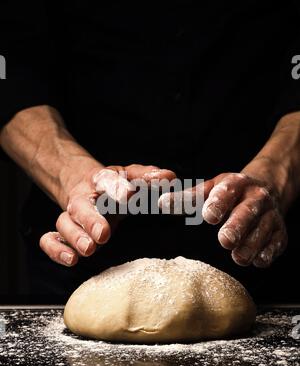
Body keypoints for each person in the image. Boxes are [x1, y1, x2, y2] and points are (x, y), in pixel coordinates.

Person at [0, 1, 300, 302]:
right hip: (84, 247)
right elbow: (10, 68)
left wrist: (275, 174)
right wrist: (74, 176)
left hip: (260, 243)